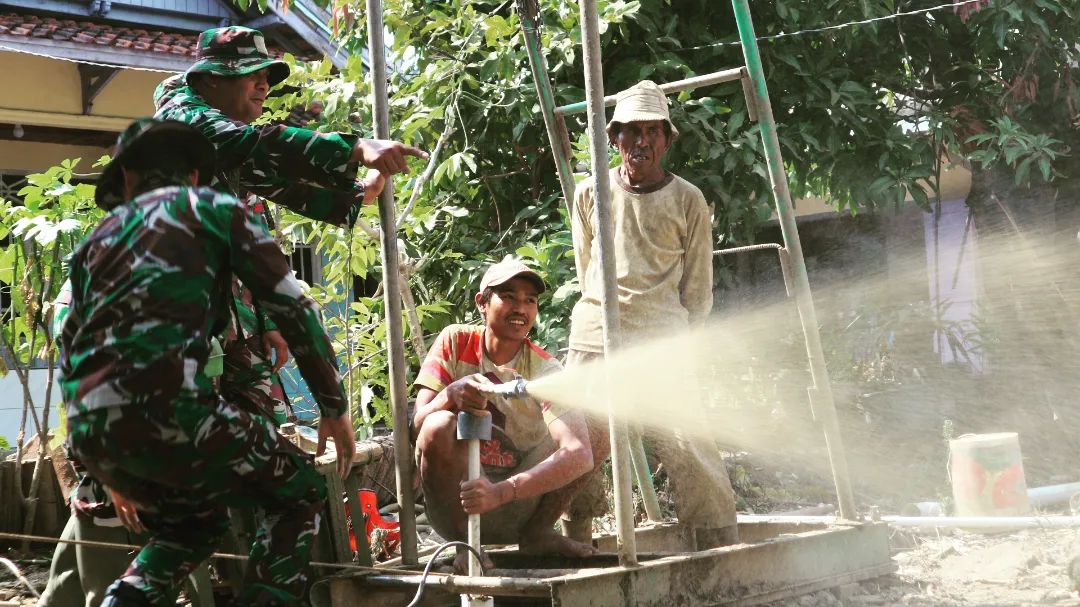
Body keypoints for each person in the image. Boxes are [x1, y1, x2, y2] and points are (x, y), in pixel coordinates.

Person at [59, 118, 356, 606]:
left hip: (95, 429)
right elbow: (292, 308)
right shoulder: (214, 208)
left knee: (194, 525)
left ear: (128, 179)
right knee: (300, 493)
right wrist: (332, 404)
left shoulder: (93, 246)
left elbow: (71, 351)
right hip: (176, 411)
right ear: (196, 175)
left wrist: (99, 461)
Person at [566, 80, 739, 546]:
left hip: (663, 337)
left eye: (652, 131)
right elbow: (587, 268)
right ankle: (576, 533)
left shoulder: (688, 200)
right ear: (614, 138)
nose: (641, 141)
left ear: (666, 139)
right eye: (630, 132)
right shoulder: (591, 192)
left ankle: (714, 537)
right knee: (578, 435)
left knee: (688, 439)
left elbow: (698, 288)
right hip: (596, 334)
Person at [411, 259, 607, 570]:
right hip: (456, 509)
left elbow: (579, 454)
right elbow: (417, 425)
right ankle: (466, 545)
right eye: (509, 297)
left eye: (530, 301)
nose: (521, 309)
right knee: (438, 424)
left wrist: (502, 492)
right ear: (482, 303)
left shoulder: (544, 369)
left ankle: (537, 534)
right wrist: (450, 395)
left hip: (516, 503)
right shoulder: (455, 340)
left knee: (596, 425)